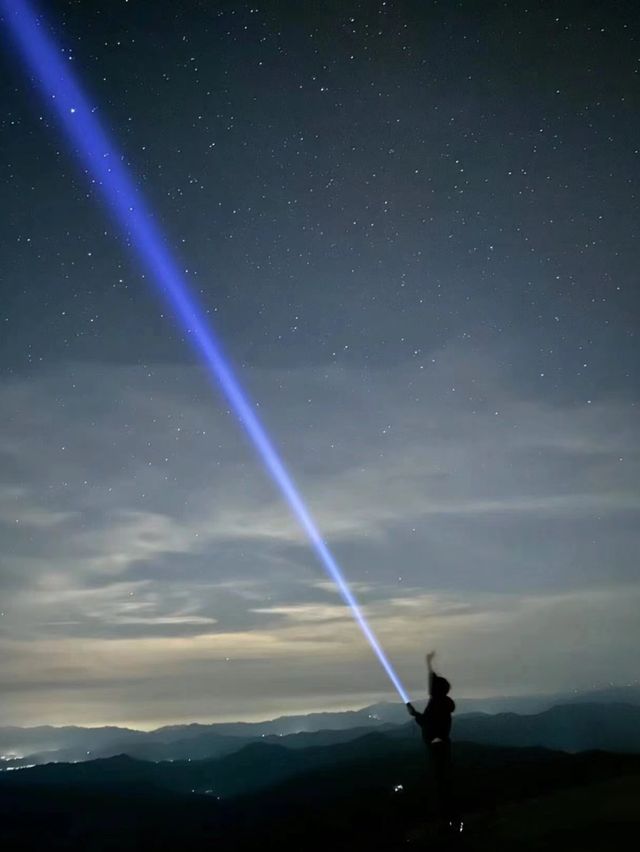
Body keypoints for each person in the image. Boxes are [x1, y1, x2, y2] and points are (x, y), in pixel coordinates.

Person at [407, 651, 456, 823]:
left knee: (439, 783)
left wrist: (414, 714)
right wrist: (428, 664)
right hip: (443, 745)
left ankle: (444, 822)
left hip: (437, 747)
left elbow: (427, 724)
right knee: (444, 780)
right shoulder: (443, 702)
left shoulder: (436, 704)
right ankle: (448, 818)